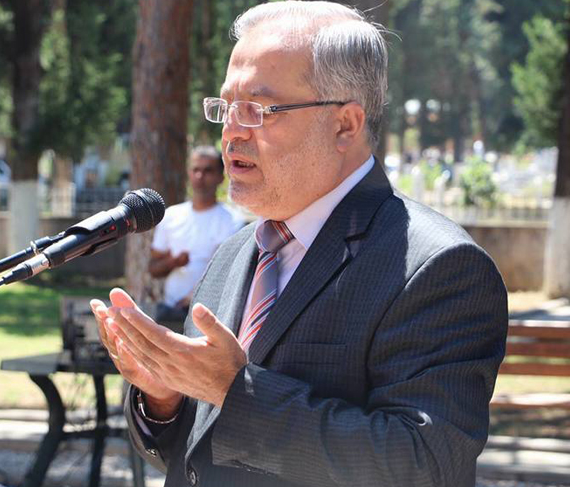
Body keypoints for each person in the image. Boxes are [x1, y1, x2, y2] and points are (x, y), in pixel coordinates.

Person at [90, 2, 508, 486]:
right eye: (225, 108)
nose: (232, 131)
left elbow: (426, 464)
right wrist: (164, 396)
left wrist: (236, 391)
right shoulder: (236, 252)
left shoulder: (438, 266)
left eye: (258, 109)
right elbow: (198, 456)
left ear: (345, 124)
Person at [149, 146, 244, 323]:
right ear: (189, 173)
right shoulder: (171, 216)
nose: (200, 176)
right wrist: (173, 262)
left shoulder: (233, 221)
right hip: (171, 312)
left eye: (208, 170)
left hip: (213, 315)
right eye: (196, 170)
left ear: (221, 177)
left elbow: (230, 273)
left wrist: (195, 297)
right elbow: (153, 268)